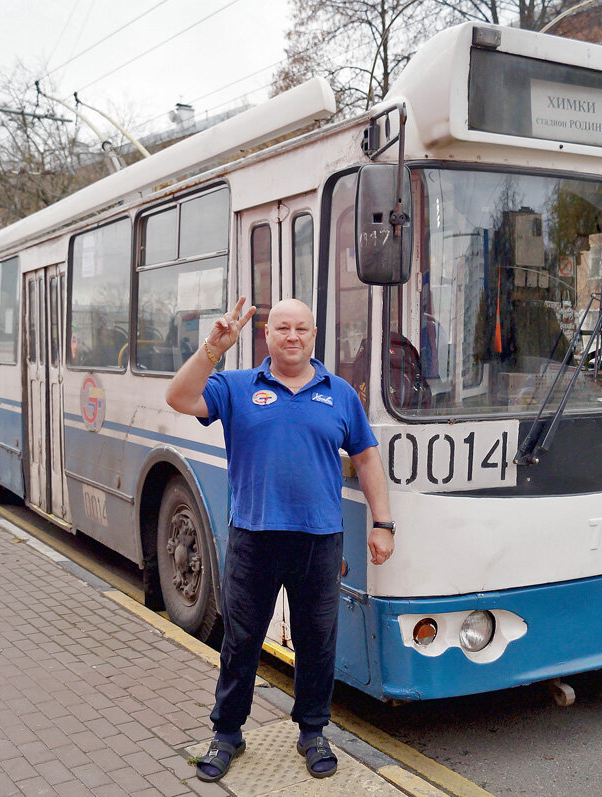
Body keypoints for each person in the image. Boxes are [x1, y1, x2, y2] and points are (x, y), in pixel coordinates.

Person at [166, 296, 394, 783]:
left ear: (314, 336)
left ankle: (313, 731)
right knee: (242, 640)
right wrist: (212, 348)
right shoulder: (236, 385)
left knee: (317, 643)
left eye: (302, 329)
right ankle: (227, 733)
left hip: (319, 539)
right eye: (282, 328)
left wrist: (383, 522)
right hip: (255, 537)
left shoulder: (339, 394)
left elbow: (369, 459)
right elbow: (180, 398)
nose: (292, 337)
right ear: (266, 336)